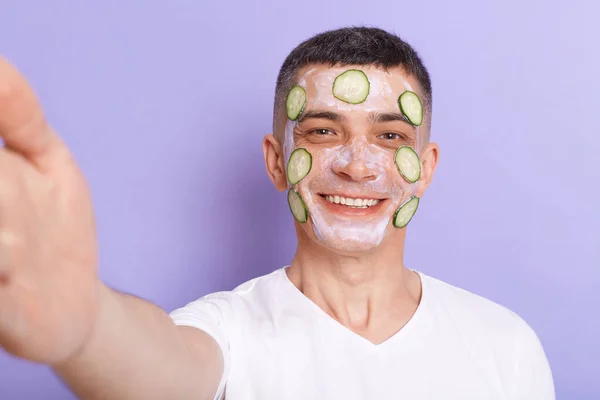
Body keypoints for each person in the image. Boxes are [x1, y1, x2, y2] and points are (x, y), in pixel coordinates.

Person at [0, 26, 554, 399]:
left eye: (389, 136)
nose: (358, 167)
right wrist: (88, 326)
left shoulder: (504, 345)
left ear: (425, 168)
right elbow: (165, 372)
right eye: (322, 131)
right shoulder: (227, 331)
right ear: (276, 160)